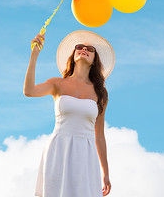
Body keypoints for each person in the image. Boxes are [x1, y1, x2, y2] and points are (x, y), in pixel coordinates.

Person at [23, 30, 115, 197]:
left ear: (95, 60)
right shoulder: (57, 83)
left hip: (85, 153)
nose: (84, 49)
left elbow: (99, 136)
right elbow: (29, 91)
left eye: (90, 49)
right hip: (59, 148)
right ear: (73, 55)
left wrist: (105, 172)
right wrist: (34, 54)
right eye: (79, 47)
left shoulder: (100, 93)